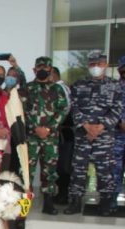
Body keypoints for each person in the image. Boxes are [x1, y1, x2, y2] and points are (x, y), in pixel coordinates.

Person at [64, 50, 124, 216]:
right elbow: (74, 107)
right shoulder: (78, 85)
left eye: (99, 63)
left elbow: (117, 109)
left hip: (104, 136)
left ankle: (105, 203)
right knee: (78, 170)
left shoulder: (115, 86)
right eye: (92, 64)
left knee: (105, 169)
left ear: (105, 64)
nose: (95, 67)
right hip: (83, 135)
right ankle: (75, 202)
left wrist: (100, 127)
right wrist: (86, 126)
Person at [24, 57, 68, 215]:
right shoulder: (27, 88)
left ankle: (48, 203)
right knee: (27, 171)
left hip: (51, 138)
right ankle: (25, 204)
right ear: (35, 69)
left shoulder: (57, 89)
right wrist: (35, 128)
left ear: (50, 70)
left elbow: (63, 110)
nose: (42, 70)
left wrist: (48, 128)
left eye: (46, 67)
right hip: (31, 137)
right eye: (39, 67)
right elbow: (22, 111)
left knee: (50, 171)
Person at [52, 67, 75, 205]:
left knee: (64, 165)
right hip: (59, 132)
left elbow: (65, 109)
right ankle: (61, 194)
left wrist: (56, 123)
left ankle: (64, 195)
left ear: (54, 74)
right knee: (59, 165)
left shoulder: (61, 88)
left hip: (64, 132)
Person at [112, 56, 125, 211]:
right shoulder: (114, 87)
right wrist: (120, 121)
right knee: (115, 170)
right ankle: (112, 200)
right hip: (117, 136)